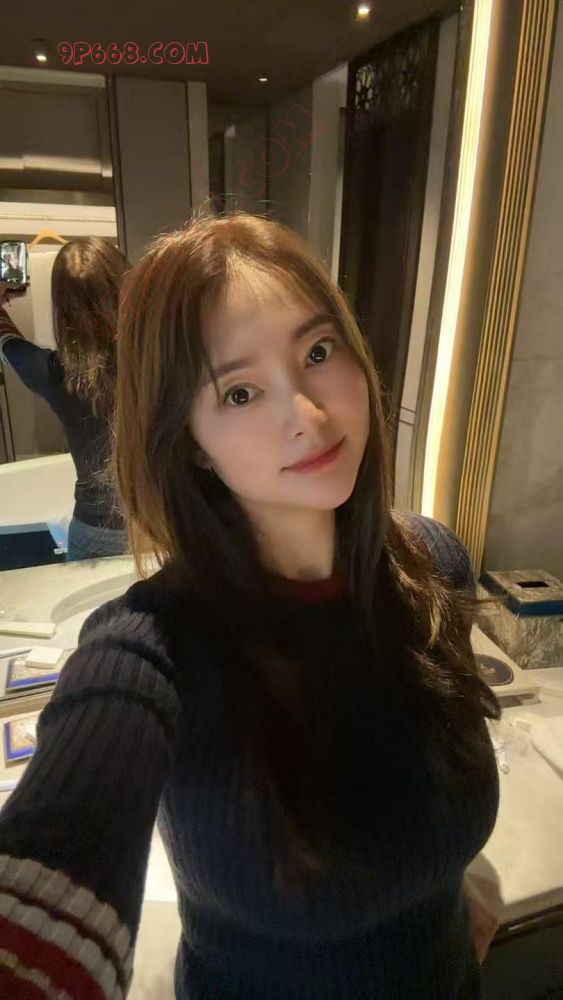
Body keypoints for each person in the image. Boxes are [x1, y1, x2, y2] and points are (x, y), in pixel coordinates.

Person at [0, 212, 502, 999]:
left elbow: (416, 790)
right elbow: (52, 876)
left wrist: (447, 892)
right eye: (239, 392)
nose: (307, 416)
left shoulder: (433, 564)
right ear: (189, 441)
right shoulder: (152, 647)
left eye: (318, 352)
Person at [0, 236, 130, 561]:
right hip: (162, 525)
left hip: (97, 534)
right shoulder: (163, 358)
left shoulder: (55, 375)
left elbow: (8, 342)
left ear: (61, 308)